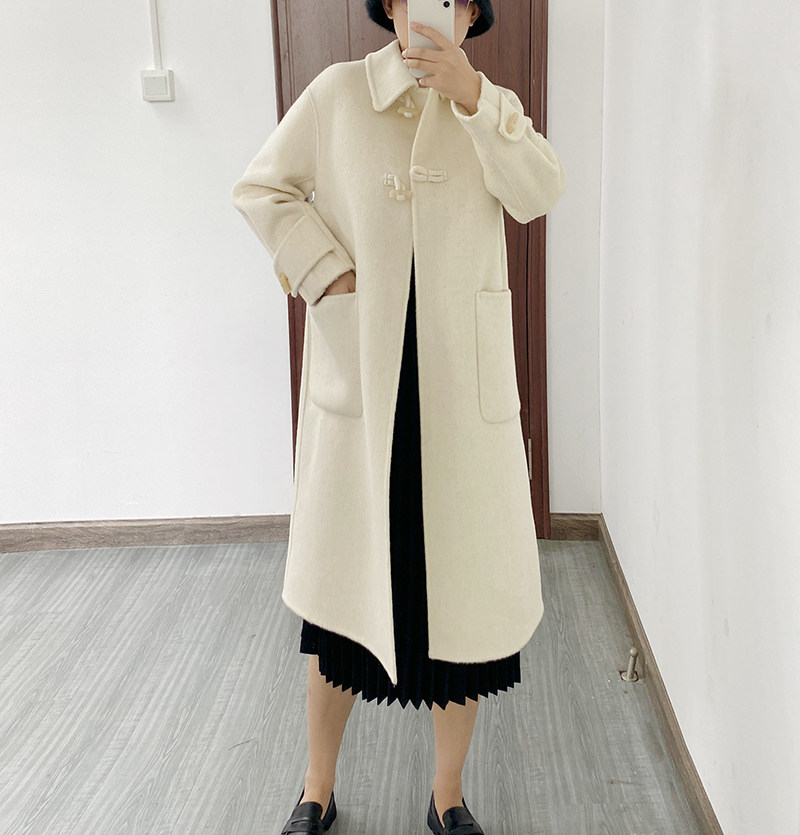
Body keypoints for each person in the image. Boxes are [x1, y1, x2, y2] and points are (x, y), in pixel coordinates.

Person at [232, 1, 566, 832]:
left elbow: (538, 193)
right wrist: (326, 271)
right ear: (390, 6)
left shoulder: (489, 107)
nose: (435, 11)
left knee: (463, 619)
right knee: (339, 609)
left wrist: (474, 98)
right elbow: (262, 187)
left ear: (471, 15)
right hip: (364, 390)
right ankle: (316, 785)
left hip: (458, 399)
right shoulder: (338, 93)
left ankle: (447, 796)